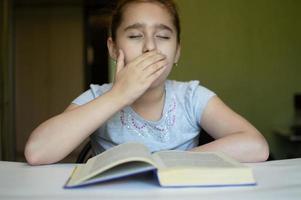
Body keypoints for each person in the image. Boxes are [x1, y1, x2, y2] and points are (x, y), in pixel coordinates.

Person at [24, 0, 269, 165]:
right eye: (134, 36)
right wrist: (118, 95)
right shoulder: (99, 97)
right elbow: (37, 152)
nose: (150, 47)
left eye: (162, 36)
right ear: (112, 48)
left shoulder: (191, 97)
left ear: (177, 53)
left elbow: (256, 146)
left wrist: (171, 162)